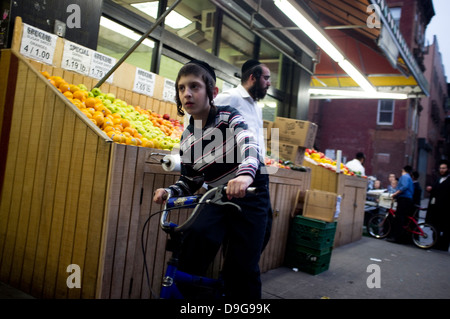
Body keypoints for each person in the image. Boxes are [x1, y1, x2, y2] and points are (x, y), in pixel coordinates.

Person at [153, 60, 271, 299]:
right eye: (182, 88)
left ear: (212, 92)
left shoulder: (229, 117)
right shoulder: (187, 138)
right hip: (217, 196)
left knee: (242, 270)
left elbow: (249, 145)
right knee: (191, 248)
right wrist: (170, 191)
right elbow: (190, 180)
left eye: (194, 86)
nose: (187, 93)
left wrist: (245, 176)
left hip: (250, 195)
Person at [214, 59, 273, 250]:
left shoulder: (255, 105)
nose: (269, 83)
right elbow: (198, 119)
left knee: (262, 231)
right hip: (236, 173)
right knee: (241, 235)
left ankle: (232, 275)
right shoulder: (230, 97)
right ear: (252, 77)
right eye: (266, 78)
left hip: (257, 172)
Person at [425, 160, 450, 251]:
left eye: (444, 168)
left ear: (448, 169)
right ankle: (435, 243)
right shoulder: (438, 179)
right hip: (435, 208)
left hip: (445, 209)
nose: (442, 170)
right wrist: (430, 189)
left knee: (445, 228)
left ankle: (443, 246)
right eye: (441, 168)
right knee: (435, 226)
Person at [389, 165, 414, 243]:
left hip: (404, 199)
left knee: (399, 218)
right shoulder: (409, 177)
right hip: (408, 199)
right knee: (403, 218)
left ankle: (397, 238)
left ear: (403, 169)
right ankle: (401, 237)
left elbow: (404, 187)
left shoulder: (405, 177)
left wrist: (395, 193)